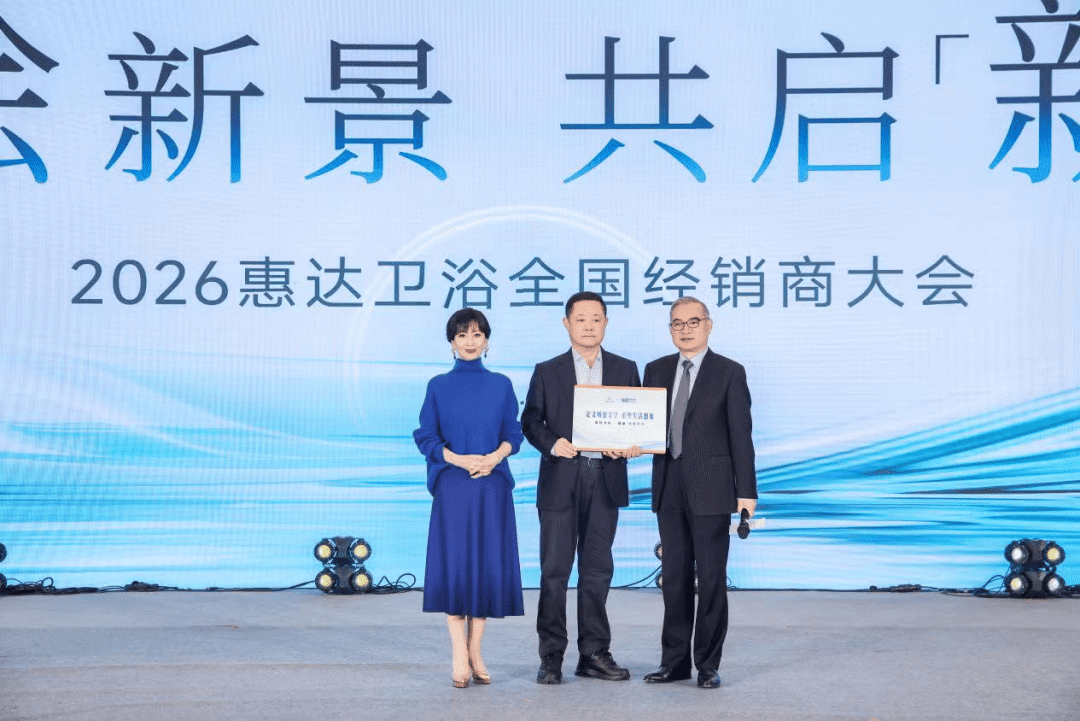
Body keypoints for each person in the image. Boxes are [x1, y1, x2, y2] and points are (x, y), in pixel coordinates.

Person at [521, 291, 641, 685]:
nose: (589, 326)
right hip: (561, 478)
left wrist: (633, 445)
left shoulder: (625, 368)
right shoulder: (547, 370)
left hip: (605, 478)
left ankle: (593, 653)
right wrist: (552, 443)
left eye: (596, 319)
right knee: (554, 572)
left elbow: (638, 420)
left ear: (606, 323)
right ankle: (551, 656)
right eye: (581, 319)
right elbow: (530, 421)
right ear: (567, 323)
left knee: (597, 571)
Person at [641, 296, 758, 689]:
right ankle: (674, 663)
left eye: (693, 321)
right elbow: (643, 423)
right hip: (668, 484)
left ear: (709, 325)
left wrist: (746, 492)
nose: (685, 329)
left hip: (713, 487)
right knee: (673, 578)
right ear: (670, 329)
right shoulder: (655, 370)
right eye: (677, 323)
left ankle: (707, 664)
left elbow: (741, 435)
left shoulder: (729, 372)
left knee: (710, 578)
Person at [413, 308, 525, 688]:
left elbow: (513, 433)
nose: (470, 341)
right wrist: (459, 459)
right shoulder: (438, 386)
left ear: (487, 341)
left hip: (492, 485)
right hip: (453, 486)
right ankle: (458, 653)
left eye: (477, 334)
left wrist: (494, 458)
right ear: (451, 343)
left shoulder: (502, 384)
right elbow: (426, 436)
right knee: (455, 566)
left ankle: (475, 649)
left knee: (486, 566)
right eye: (462, 335)